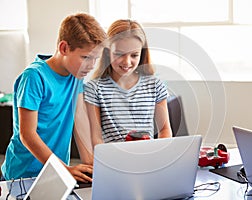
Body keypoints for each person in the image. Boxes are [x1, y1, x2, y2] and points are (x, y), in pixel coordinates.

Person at [0, 13, 106, 182]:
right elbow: (27, 135)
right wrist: (63, 169)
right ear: (64, 48)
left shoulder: (76, 75)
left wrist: (92, 166)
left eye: (96, 59)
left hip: (55, 173)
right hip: (23, 173)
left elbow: (80, 121)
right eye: (86, 57)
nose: (91, 65)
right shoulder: (34, 77)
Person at [84, 19, 172, 150]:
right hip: (114, 159)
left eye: (134, 55)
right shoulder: (94, 88)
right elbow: (95, 138)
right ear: (108, 52)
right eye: (119, 54)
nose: (127, 62)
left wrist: (158, 153)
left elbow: (165, 130)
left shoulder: (155, 85)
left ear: (142, 54)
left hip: (147, 157)